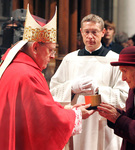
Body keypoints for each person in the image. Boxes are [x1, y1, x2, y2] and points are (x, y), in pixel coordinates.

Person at [0, 5, 95, 150]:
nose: (52, 56)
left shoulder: (17, 66)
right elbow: (45, 120)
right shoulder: (27, 75)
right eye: (51, 50)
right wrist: (75, 115)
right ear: (35, 47)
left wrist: (67, 109)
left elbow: (41, 107)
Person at [50, 14, 129, 150]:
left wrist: (99, 90)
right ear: (81, 32)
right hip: (77, 123)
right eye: (86, 32)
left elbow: (124, 97)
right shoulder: (70, 59)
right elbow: (53, 93)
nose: (90, 37)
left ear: (103, 33)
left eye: (94, 32)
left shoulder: (115, 60)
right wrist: (71, 87)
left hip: (103, 126)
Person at [98, 46, 135, 150]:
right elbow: (133, 118)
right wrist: (111, 113)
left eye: (125, 71)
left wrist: (118, 119)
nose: (123, 78)